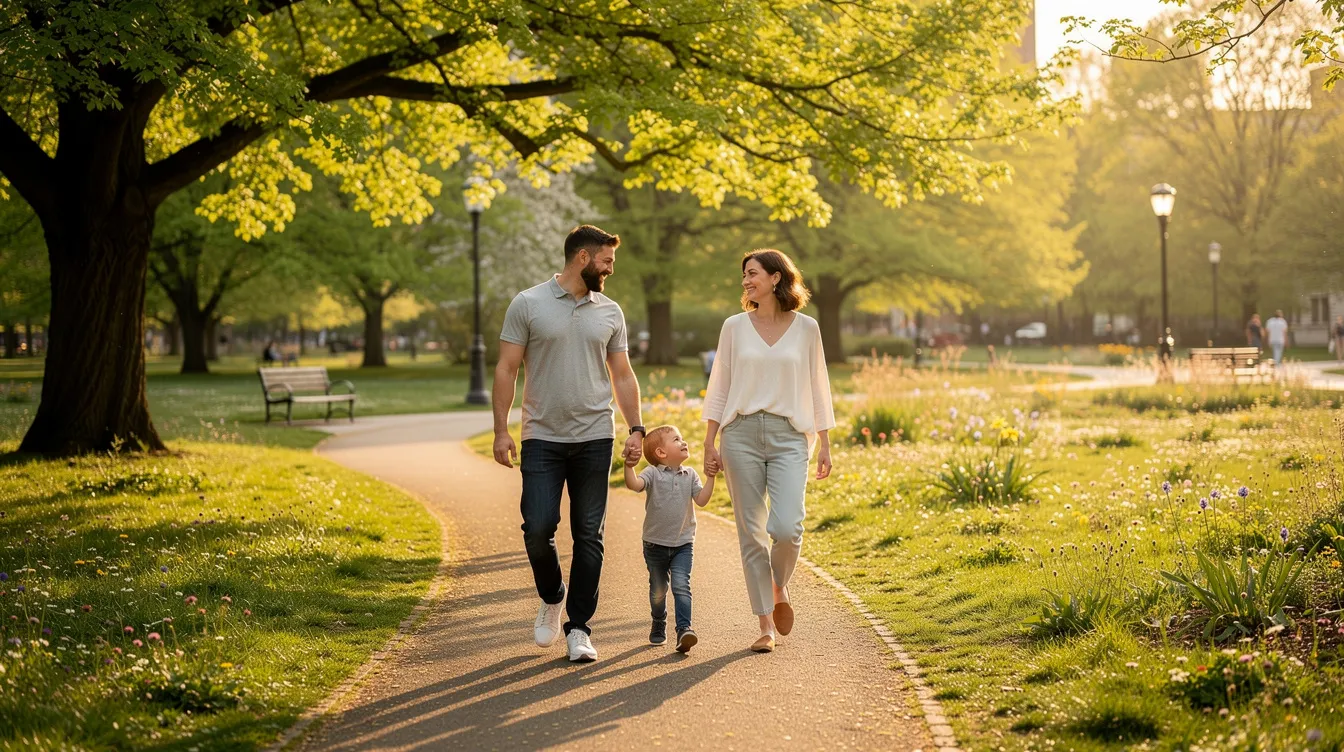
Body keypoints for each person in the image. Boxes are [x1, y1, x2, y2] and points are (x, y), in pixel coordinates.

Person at [493, 224, 645, 664]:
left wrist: (636, 428)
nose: (610, 269)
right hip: (542, 435)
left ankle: (579, 627)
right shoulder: (528, 303)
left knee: (589, 536)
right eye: (606, 260)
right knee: (537, 528)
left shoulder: (610, 312)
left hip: (596, 434)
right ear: (583, 257)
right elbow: (506, 369)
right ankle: (552, 593)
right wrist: (502, 429)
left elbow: (622, 374)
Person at [702, 249, 836, 654]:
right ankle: (765, 624)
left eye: (753, 273)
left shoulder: (808, 328)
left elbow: (819, 385)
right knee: (752, 534)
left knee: (787, 527)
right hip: (740, 433)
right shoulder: (734, 327)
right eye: (744, 274)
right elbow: (720, 385)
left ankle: (778, 585)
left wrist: (826, 441)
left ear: (776, 278)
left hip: (790, 436)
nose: (746, 281)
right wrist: (709, 439)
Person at [624, 425, 716, 653]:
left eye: (682, 438)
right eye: (676, 439)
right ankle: (659, 621)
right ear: (661, 454)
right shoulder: (652, 473)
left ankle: (684, 629)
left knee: (681, 585)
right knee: (658, 589)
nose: (683, 442)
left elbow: (702, 500)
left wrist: (711, 478)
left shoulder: (690, 474)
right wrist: (629, 467)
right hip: (654, 544)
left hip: (683, 544)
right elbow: (634, 485)